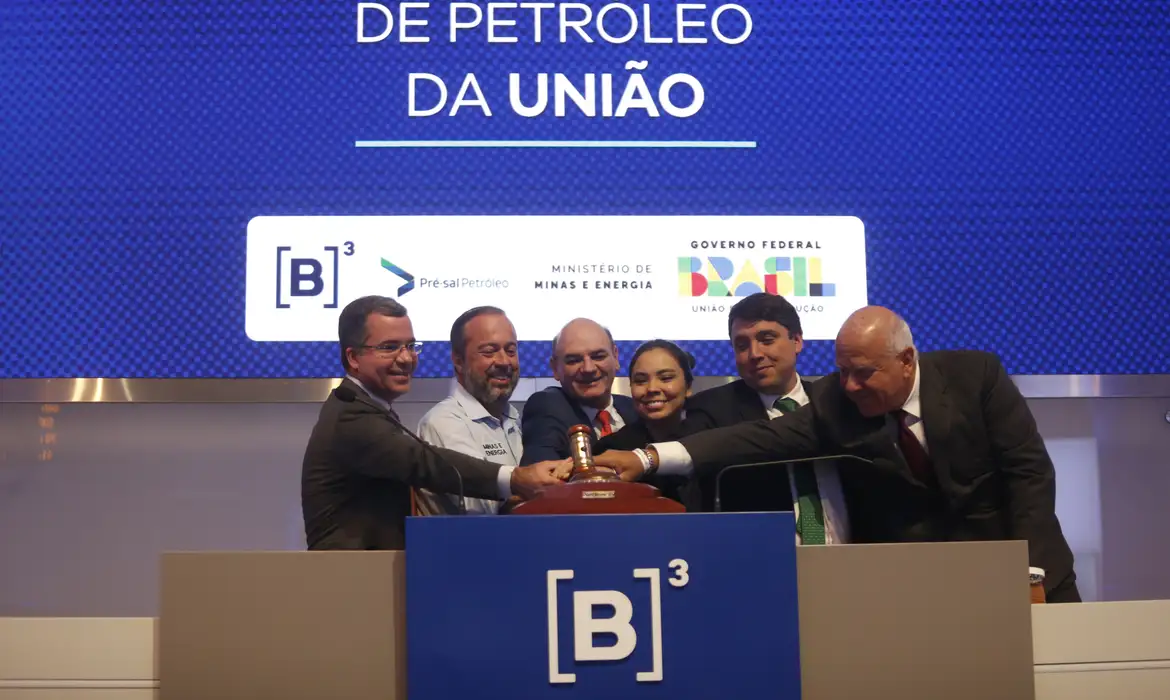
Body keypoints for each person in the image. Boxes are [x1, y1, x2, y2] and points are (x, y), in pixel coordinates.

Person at [596, 306, 1080, 602]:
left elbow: (1029, 475)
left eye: (864, 373)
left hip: (1022, 569)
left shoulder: (976, 378)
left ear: (906, 361)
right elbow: (754, 439)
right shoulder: (839, 401)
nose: (849, 385)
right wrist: (649, 458)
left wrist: (1029, 572)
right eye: (842, 371)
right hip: (925, 588)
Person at [301, 296, 566, 550]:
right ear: (353, 358)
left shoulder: (372, 408)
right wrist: (517, 479)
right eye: (389, 347)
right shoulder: (350, 414)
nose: (406, 358)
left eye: (410, 346)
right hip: (349, 574)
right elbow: (424, 463)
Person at [682, 293, 850, 544]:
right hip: (764, 558)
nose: (754, 354)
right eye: (742, 346)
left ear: (797, 341)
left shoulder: (837, 402)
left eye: (767, 340)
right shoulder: (712, 411)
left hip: (857, 556)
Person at [415, 306, 523, 515]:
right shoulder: (443, 422)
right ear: (458, 360)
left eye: (511, 351)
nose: (504, 361)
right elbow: (482, 511)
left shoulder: (516, 419)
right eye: (489, 351)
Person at [519, 318, 637, 465]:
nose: (588, 368)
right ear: (555, 368)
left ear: (616, 357)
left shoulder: (635, 409)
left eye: (598, 356)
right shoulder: (546, 408)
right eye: (574, 360)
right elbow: (544, 473)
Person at [594, 339, 696, 507]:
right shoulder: (611, 449)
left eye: (666, 378)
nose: (652, 388)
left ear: (688, 386)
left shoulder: (711, 441)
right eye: (640, 381)